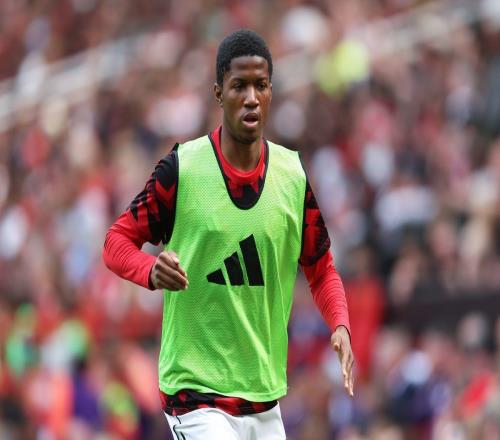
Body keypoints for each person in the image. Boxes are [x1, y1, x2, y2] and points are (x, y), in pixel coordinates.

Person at [103, 29, 354, 439]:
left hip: (262, 397)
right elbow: (115, 242)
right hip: (194, 396)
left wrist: (340, 324)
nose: (251, 97)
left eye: (261, 85)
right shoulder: (182, 169)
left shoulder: (292, 176)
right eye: (239, 86)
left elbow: (321, 268)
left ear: (271, 92)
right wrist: (150, 270)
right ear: (219, 93)